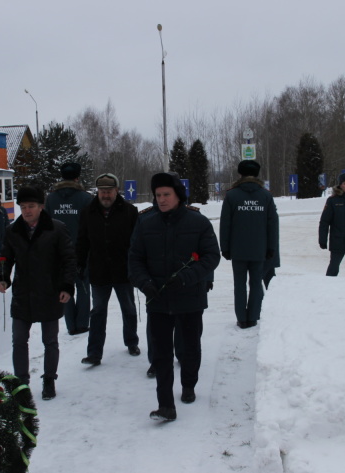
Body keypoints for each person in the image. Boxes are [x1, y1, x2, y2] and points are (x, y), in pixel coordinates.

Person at [129, 172, 220, 422]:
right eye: (158, 195)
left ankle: (189, 385)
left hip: (189, 297)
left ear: (178, 196)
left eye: (166, 194)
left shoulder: (198, 222)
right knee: (161, 353)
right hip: (157, 299)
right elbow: (134, 258)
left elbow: (212, 256)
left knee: (190, 347)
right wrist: (144, 283)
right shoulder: (145, 223)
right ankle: (166, 405)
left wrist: (187, 278)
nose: (161, 199)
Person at [0, 186, 76, 401]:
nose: (27, 210)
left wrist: (67, 287)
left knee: (50, 341)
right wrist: (2, 278)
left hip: (50, 292)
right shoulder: (13, 230)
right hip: (23, 294)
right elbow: (5, 257)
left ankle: (49, 379)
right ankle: (21, 382)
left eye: (31, 206)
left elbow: (68, 260)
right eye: (23, 207)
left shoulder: (57, 229)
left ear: (41, 207)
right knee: (19, 340)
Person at [76, 173, 140, 366]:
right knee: (97, 313)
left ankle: (131, 342)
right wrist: (79, 264)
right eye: (102, 192)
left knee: (128, 309)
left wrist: (137, 266)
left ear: (116, 191)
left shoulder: (130, 211)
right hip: (99, 271)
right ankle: (94, 353)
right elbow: (82, 241)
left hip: (124, 272)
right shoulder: (88, 212)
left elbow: (137, 243)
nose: (105, 195)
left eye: (109, 192)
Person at [219, 160, 279, 329]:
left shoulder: (232, 195)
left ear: (240, 174)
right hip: (260, 249)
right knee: (255, 283)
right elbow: (272, 224)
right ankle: (252, 317)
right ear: (257, 175)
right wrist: (271, 247)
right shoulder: (265, 196)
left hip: (238, 250)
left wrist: (225, 247)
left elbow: (226, 224)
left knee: (239, 285)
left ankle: (241, 319)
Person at [44, 162, 93, 335]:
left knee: (65, 286)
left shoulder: (51, 199)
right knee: (83, 287)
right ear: (77, 177)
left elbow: (46, 226)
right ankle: (82, 323)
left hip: (59, 252)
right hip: (81, 252)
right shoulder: (86, 199)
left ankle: (71, 325)